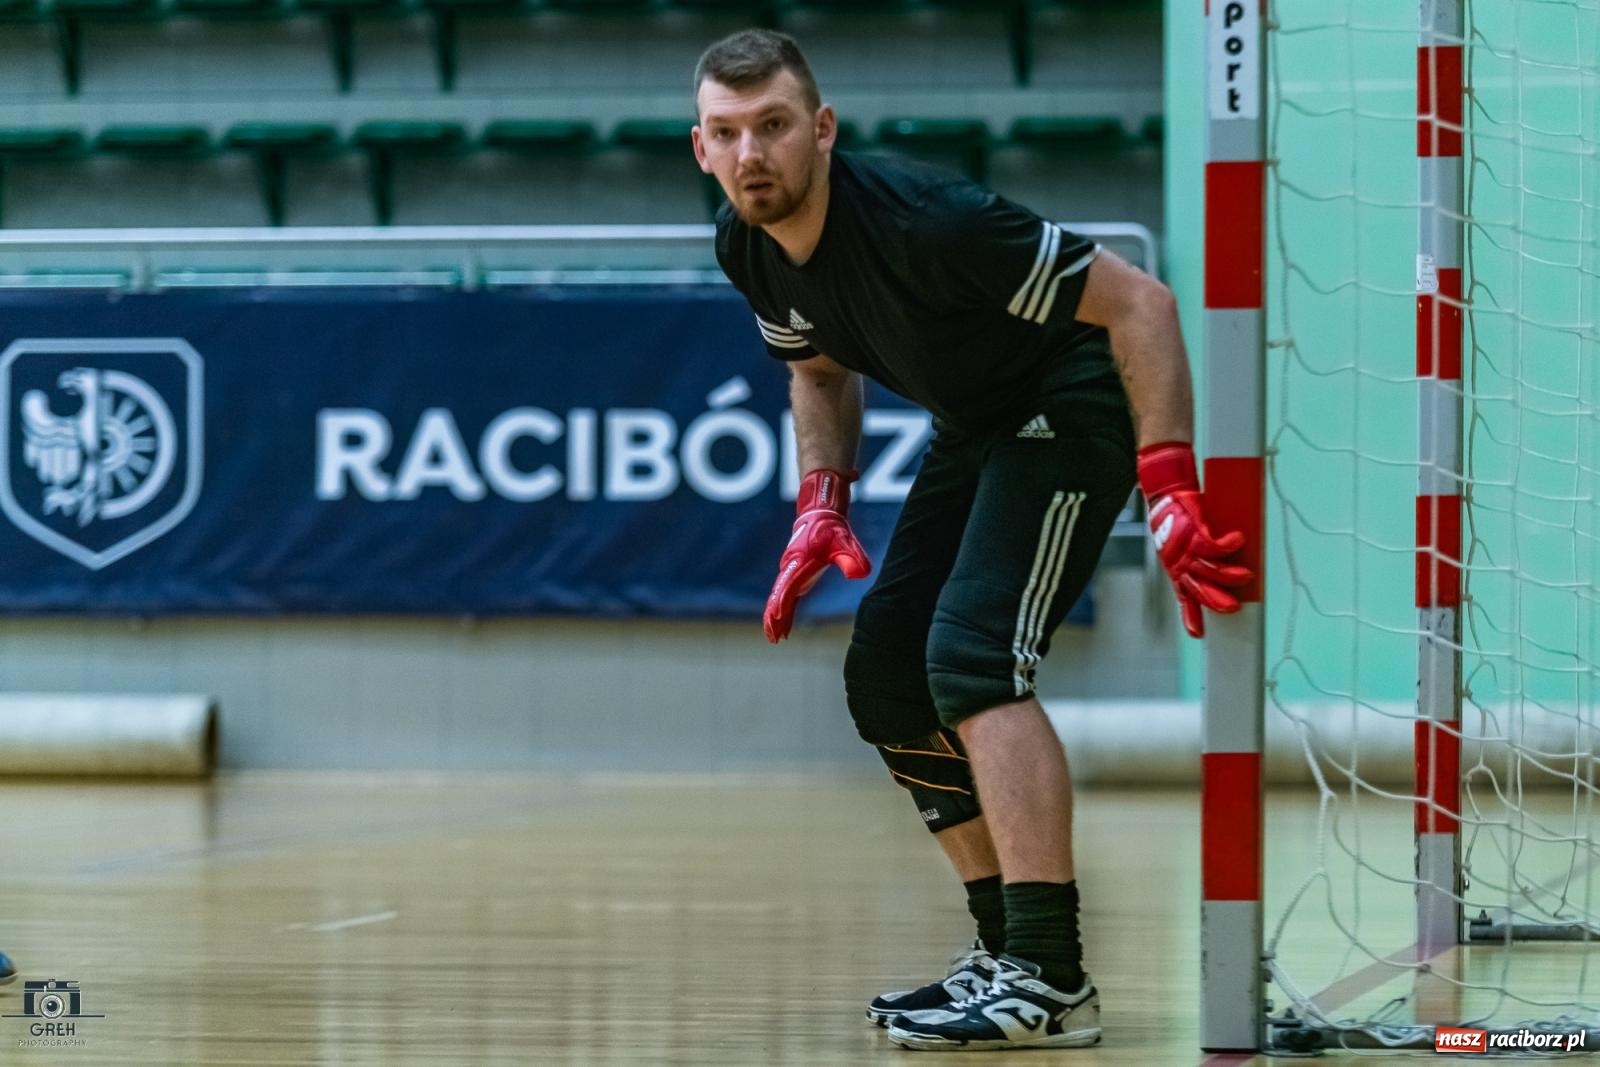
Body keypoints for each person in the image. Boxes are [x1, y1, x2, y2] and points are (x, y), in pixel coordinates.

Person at [693, 29, 1251, 1052]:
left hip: (1073, 398)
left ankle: (1050, 973)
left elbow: (1140, 304)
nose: (750, 155)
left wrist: (1169, 478)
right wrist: (821, 496)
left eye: (771, 126)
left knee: (975, 658)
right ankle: (1010, 952)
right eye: (726, 134)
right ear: (700, 148)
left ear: (819, 129)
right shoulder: (747, 244)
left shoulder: (926, 223)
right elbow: (816, 370)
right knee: (886, 679)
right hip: (979, 422)